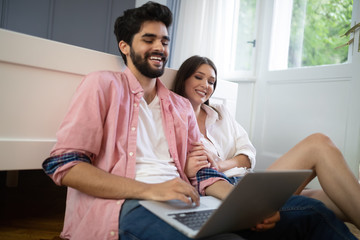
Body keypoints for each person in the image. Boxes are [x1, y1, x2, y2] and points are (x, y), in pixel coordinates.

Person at [41, 2, 356, 239]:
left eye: (164, 41)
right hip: (127, 205)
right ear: (125, 46)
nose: (159, 48)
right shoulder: (102, 85)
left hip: (187, 202)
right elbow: (64, 165)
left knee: (314, 212)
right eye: (147, 39)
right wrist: (150, 190)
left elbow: (203, 173)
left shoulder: (179, 107)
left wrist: (243, 206)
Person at [173, 55, 360, 231]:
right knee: (318, 144)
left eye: (211, 82)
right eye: (199, 77)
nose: (205, 85)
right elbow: (198, 176)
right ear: (184, 79)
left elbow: (248, 154)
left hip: (250, 180)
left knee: (331, 198)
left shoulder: (220, 112)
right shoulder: (176, 122)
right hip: (232, 190)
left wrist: (221, 165)